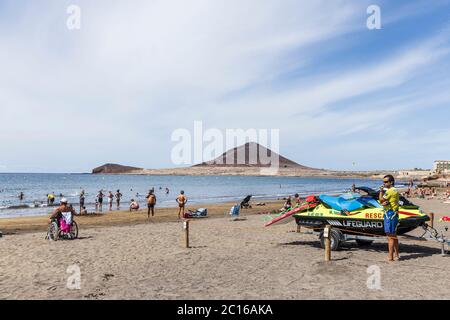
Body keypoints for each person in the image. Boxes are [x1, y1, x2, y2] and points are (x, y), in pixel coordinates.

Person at [379, 175, 400, 262]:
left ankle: (391, 257)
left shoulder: (390, 191)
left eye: (386, 182)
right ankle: (397, 254)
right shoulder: (395, 190)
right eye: (383, 182)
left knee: (390, 236)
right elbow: (385, 202)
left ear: (391, 182)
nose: (384, 183)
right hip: (393, 214)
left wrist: (381, 191)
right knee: (394, 236)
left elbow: (381, 199)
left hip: (390, 215)